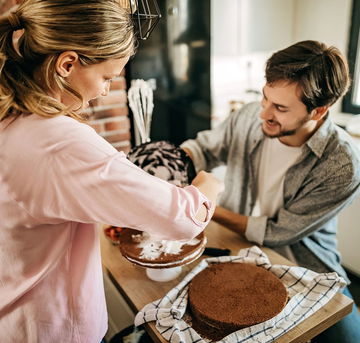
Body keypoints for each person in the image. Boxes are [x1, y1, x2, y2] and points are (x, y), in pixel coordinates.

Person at [0, 1, 223, 343]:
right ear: (68, 63)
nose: (105, 90)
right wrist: (208, 186)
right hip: (55, 329)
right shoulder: (58, 140)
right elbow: (184, 219)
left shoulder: (10, 115)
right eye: (106, 77)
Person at [181, 40, 360, 342]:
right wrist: (169, 161)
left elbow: (278, 233)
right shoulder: (251, 115)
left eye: (279, 108)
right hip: (234, 249)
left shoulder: (343, 164)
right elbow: (205, 148)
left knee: (348, 337)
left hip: (304, 266)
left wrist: (205, 206)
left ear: (318, 111)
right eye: (265, 98)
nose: (263, 114)